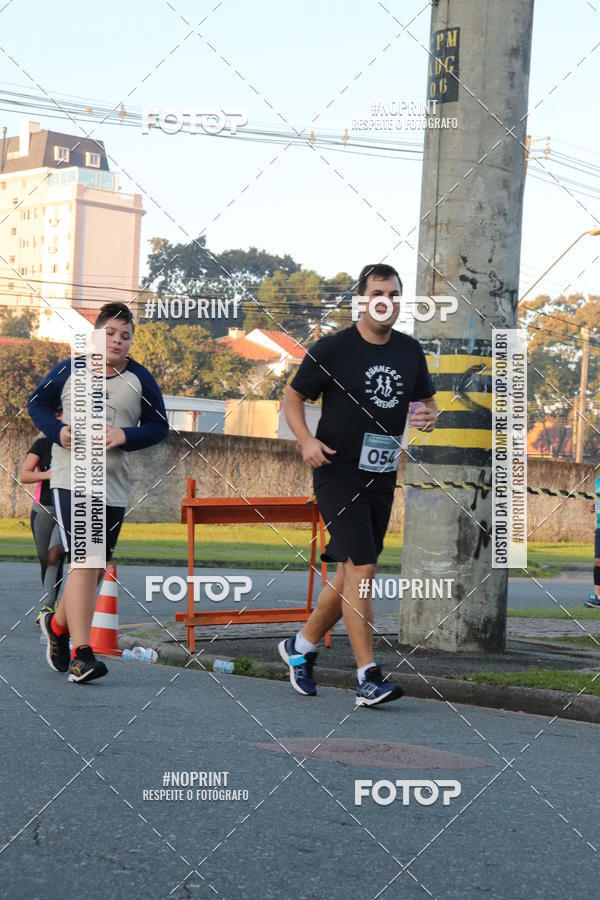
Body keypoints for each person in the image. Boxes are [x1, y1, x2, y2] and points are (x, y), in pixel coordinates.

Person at [279, 263, 438, 707]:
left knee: (351, 572)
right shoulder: (333, 349)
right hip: (336, 469)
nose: (385, 300)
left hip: (382, 475)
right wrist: (306, 440)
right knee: (364, 571)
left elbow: (425, 404)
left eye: (393, 293)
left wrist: (427, 417)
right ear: (362, 301)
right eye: (377, 293)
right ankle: (367, 676)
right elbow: (292, 397)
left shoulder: (410, 351)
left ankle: (301, 648)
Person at [28, 302, 168, 683]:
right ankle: (81, 654)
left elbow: (159, 427)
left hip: (114, 484)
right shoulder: (68, 368)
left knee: (93, 568)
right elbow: (37, 403)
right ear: (96, 335)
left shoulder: (140, 379)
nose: (117, 341)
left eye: (125, 336)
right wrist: (58, 433)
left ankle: (57, 626)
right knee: (85, 561)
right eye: (110, 333)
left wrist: (125, 434)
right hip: (70, 476)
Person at [20, 413, 66, 624]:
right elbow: (25, 475)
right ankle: (52, 604)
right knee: (44, 560)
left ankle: (47, 607)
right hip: (43, 509)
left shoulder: (81, 446)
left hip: (68, 509)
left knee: (54, 557)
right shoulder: (42, 444)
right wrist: (49, 475)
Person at [584, 475, 600, 608]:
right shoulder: (598, 480)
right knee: (598, 561)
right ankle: (597, 596)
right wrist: (594, 507)